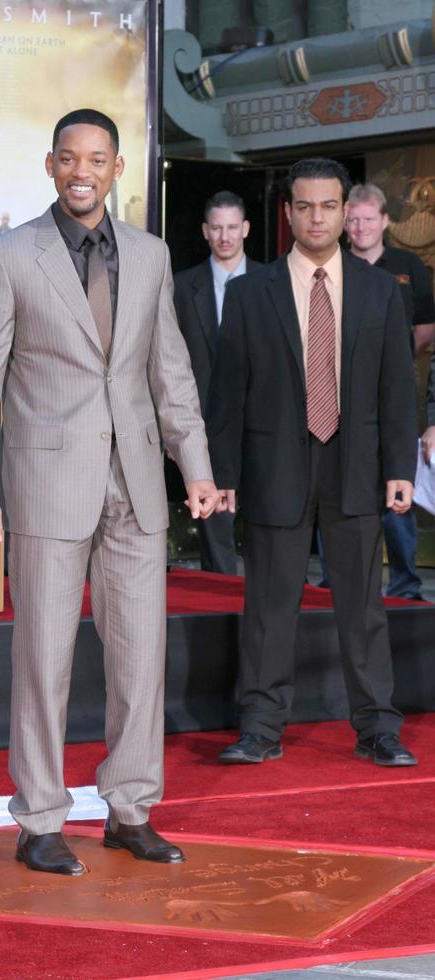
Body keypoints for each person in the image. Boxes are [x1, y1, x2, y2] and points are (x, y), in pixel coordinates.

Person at [0, 108, 223, 876]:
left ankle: (130, 809)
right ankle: (39, 818)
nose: (82, 171)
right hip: (44, 485)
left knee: (141, 660)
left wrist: (194, 467)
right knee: (43, 659)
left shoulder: (150, 255)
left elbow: (169, 371)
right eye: (69, 158)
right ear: (49, 166)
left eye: (97, 159)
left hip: (135, 484)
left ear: (115, 170)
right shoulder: (8, 257)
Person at [208, 157, 418, 768]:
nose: (317, 217)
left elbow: (396, 388)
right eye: (305, 207)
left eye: (328, 206)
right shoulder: (250, 294)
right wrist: (224, 477)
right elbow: (228, 395)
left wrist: (398, 466)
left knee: (363, 609)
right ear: (288, 213)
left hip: (356, 467)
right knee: (270, 609)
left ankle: (378, 728)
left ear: (346, 211)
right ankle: (261, 727)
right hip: (275, 467)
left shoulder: (381, 290)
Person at [345, 183, 435, 601]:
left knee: (399, 482)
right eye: (354, 218)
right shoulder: (336, 264)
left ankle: (404, 584)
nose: (361, 227)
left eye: (369, 218)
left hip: (397, 395)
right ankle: (337, 583)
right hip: (344, 395)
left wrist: (395, 362)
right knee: (339, 482)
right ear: (345, 223)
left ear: (384, 221)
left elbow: (425, 325)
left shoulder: (407, 265)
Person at [173, 191, 261, 574]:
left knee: (267, 528)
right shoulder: (180, 287)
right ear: (205, 232)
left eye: (232, 227)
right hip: (202, 427)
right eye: (217, 228)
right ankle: (220, 614)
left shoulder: (273, 282)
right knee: (215, 532)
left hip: (263, 427)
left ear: (245, 229)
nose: (225, 236)